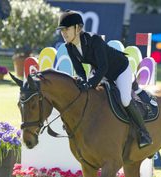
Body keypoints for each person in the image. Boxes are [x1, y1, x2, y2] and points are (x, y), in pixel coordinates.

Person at [57, 10, 152, 148]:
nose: (64, 33)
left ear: (78, 28)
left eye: (67, 29)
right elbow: (79, 69)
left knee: (125, 99)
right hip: (100, 71)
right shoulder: (69, 46)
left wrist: (90, 84)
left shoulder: (94, 40)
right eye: (62, 30)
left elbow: (104, 67)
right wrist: (83, 81)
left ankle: (144, 133)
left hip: (119, 69)